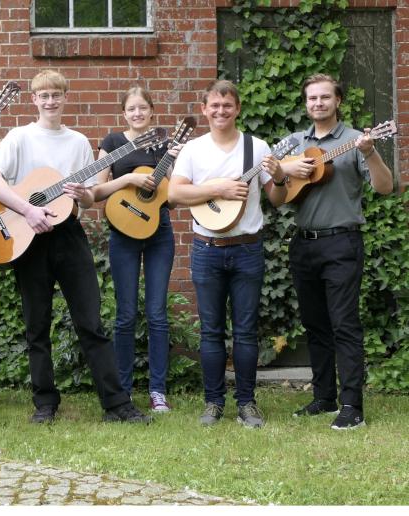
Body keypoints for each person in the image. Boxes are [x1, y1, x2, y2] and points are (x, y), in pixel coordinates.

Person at [0, 70, 151, 425]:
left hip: (68, 236)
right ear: (34, 100)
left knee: (90, 321)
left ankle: (116, 403)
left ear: (64, 97)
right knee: (36, 325)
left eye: (56, 94)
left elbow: (89, 197)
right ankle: (45, 403)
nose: (50, 101)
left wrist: (83, 194)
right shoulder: (18, 137)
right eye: (44, 95)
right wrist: (27, 209)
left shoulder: (77, 142)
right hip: (28, 235)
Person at [270, 73, 393, 430]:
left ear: (337, 101)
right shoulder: (293, 143)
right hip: (303, 243)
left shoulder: (356, 140)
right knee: (315, 325)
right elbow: (277, 199)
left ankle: (352, 405)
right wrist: (281, 173)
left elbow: (385, 188)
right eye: (312, 98)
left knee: (344, 325)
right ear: (306, 103)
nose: (318, 103)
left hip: (341, 242)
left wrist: (371, 154)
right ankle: (323, 397)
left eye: (325, 97)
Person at [168, 79, 283, 429]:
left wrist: (278, 178)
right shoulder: (193, 150)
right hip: (207, 249)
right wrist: (216, 188)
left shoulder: (257, 147)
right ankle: (213, 402)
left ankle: (247, 403)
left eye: (227, 105)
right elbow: (174, 195)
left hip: (248, 248)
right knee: (211, 331)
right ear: (205, 110)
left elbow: (277, 200)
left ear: (237, 109)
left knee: (246, 331)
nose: (221, 111)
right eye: (214, 106)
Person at [92, 87, 180, 412]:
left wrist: (171, 160)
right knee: (125, 314)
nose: (138, 113)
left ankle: (158, 391)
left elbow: (174, 194)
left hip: (160, 232)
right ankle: (123, 390)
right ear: (124, 113)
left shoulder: (163, 144)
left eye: (143, 108)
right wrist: (128, 178)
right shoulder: (113, 143)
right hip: (123, 232)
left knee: (157, 314)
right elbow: (97, 189)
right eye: (132, 109)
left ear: (153, 112)